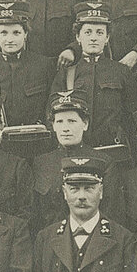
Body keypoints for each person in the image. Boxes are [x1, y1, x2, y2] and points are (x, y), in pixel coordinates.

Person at [50, 2, 137, 150]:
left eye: (99, 33)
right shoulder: (66, 74)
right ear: (78, 37)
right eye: (88, 32)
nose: (93, 38)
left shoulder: (121, 72)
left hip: (113, 149)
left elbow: (132, 116)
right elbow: (53, 115)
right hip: (77, 150)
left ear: (107, 38)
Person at [29, 92, 110, 231]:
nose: (65, 128)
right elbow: (35, 216)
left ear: (85, 124)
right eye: (59, 122)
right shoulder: (40, 163)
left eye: (72, 121)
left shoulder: (103, 161)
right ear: (53, 126)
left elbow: (111, 213)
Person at [0, 1, 57, 129]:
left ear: (25, 34)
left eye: (16, 33)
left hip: (37, 140)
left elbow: (52, 110)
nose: (10, 39)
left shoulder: (44, 66)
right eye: (4, 33)